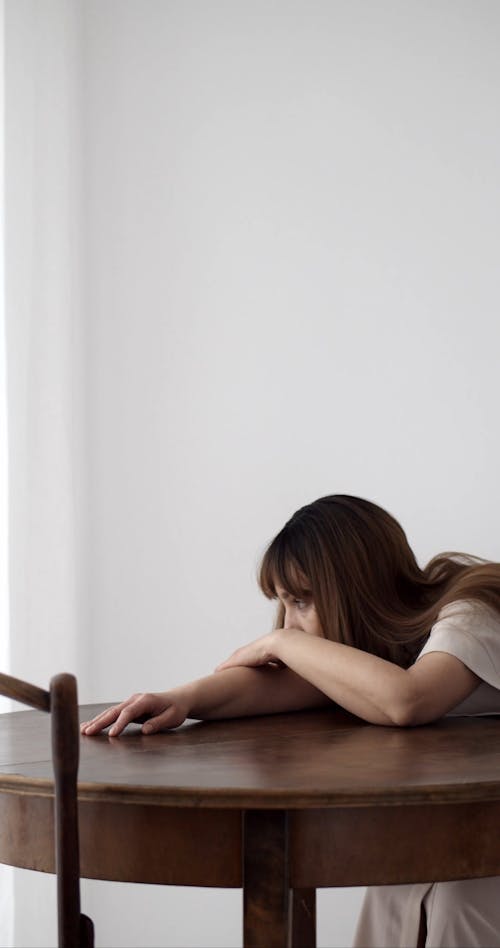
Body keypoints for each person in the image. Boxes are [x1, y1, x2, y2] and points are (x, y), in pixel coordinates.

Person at [81, 494, 500, 948]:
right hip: (472, 812)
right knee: (399, 879)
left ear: (357, 587)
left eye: (301, 601)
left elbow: (408, 702)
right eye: (284, 604)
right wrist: (179, 698)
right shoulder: (373, 644)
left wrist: (281, 642)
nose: (292, 622)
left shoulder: (471, 609)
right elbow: (281, 687)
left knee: (455, 898)